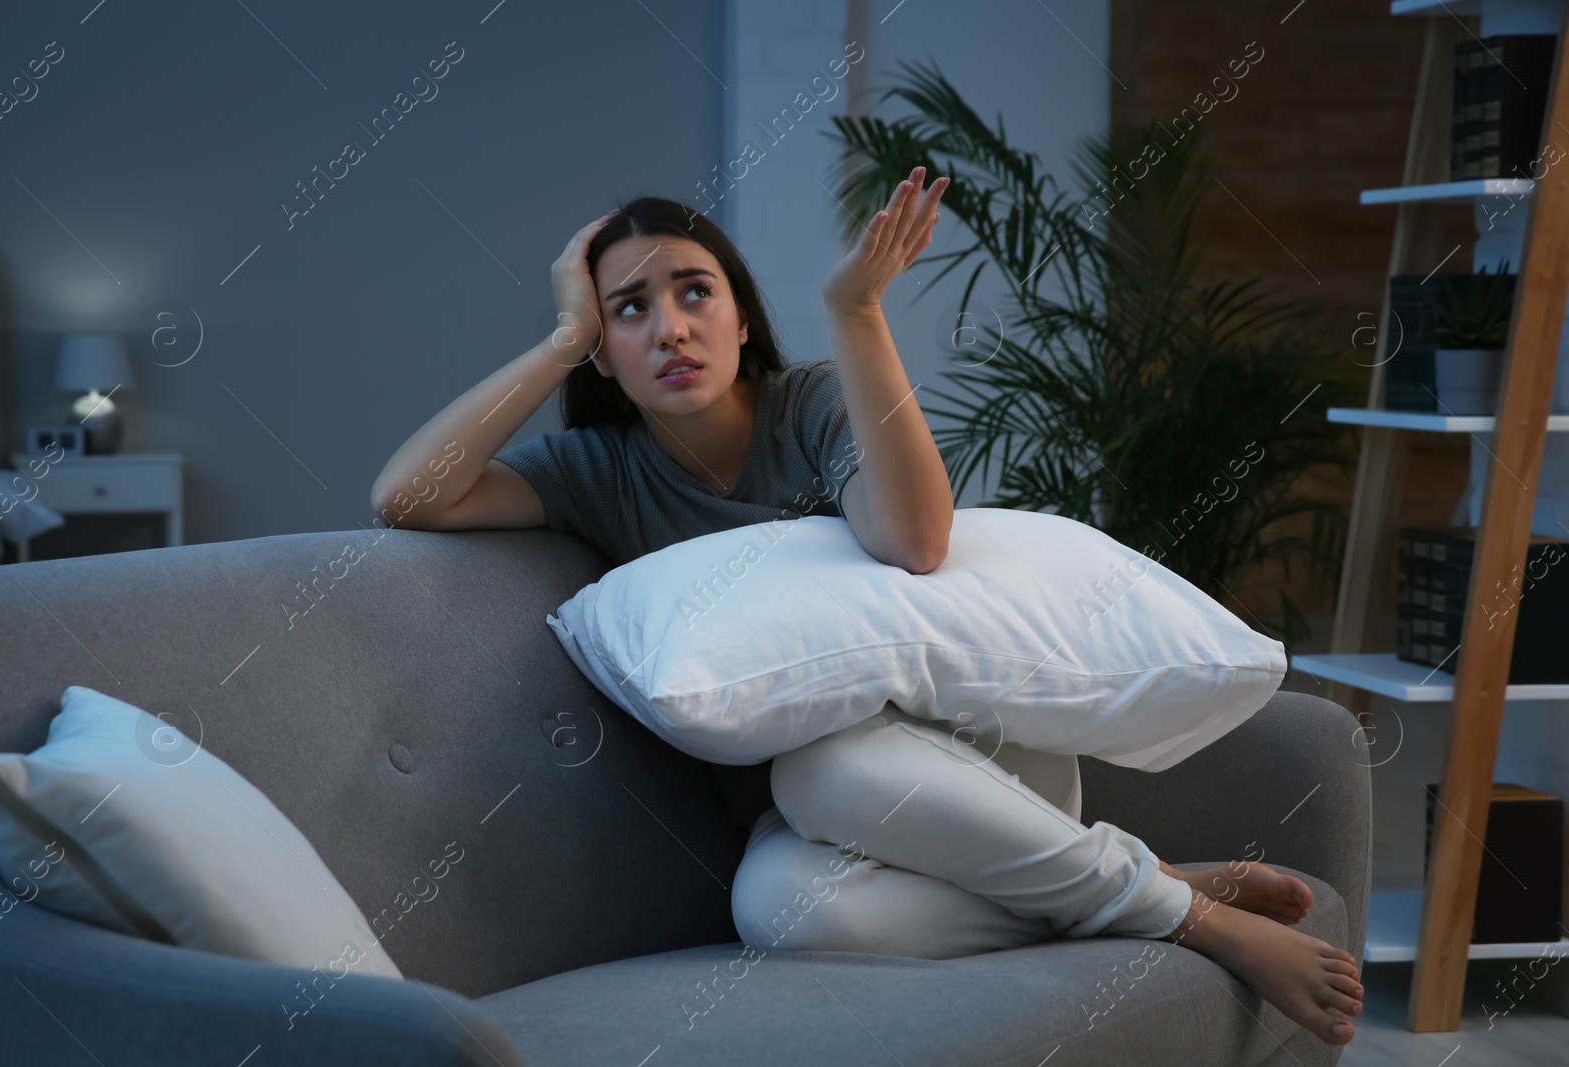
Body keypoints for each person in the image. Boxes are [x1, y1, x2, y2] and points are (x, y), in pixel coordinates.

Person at [369, 169, 1364, 1047]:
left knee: (823, 757)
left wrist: (858, 319)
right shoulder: (602, 471)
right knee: (778, 910)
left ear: (741, 316)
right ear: (605, 351)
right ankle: (1157, 883)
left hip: (980, 762)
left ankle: (1193, 922)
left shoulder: (807, 407)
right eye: (628, 310)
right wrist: (558, 339)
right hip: (821, 834)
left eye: (693, 291)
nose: (669, 326)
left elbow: (913, 540)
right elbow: (408, 497)